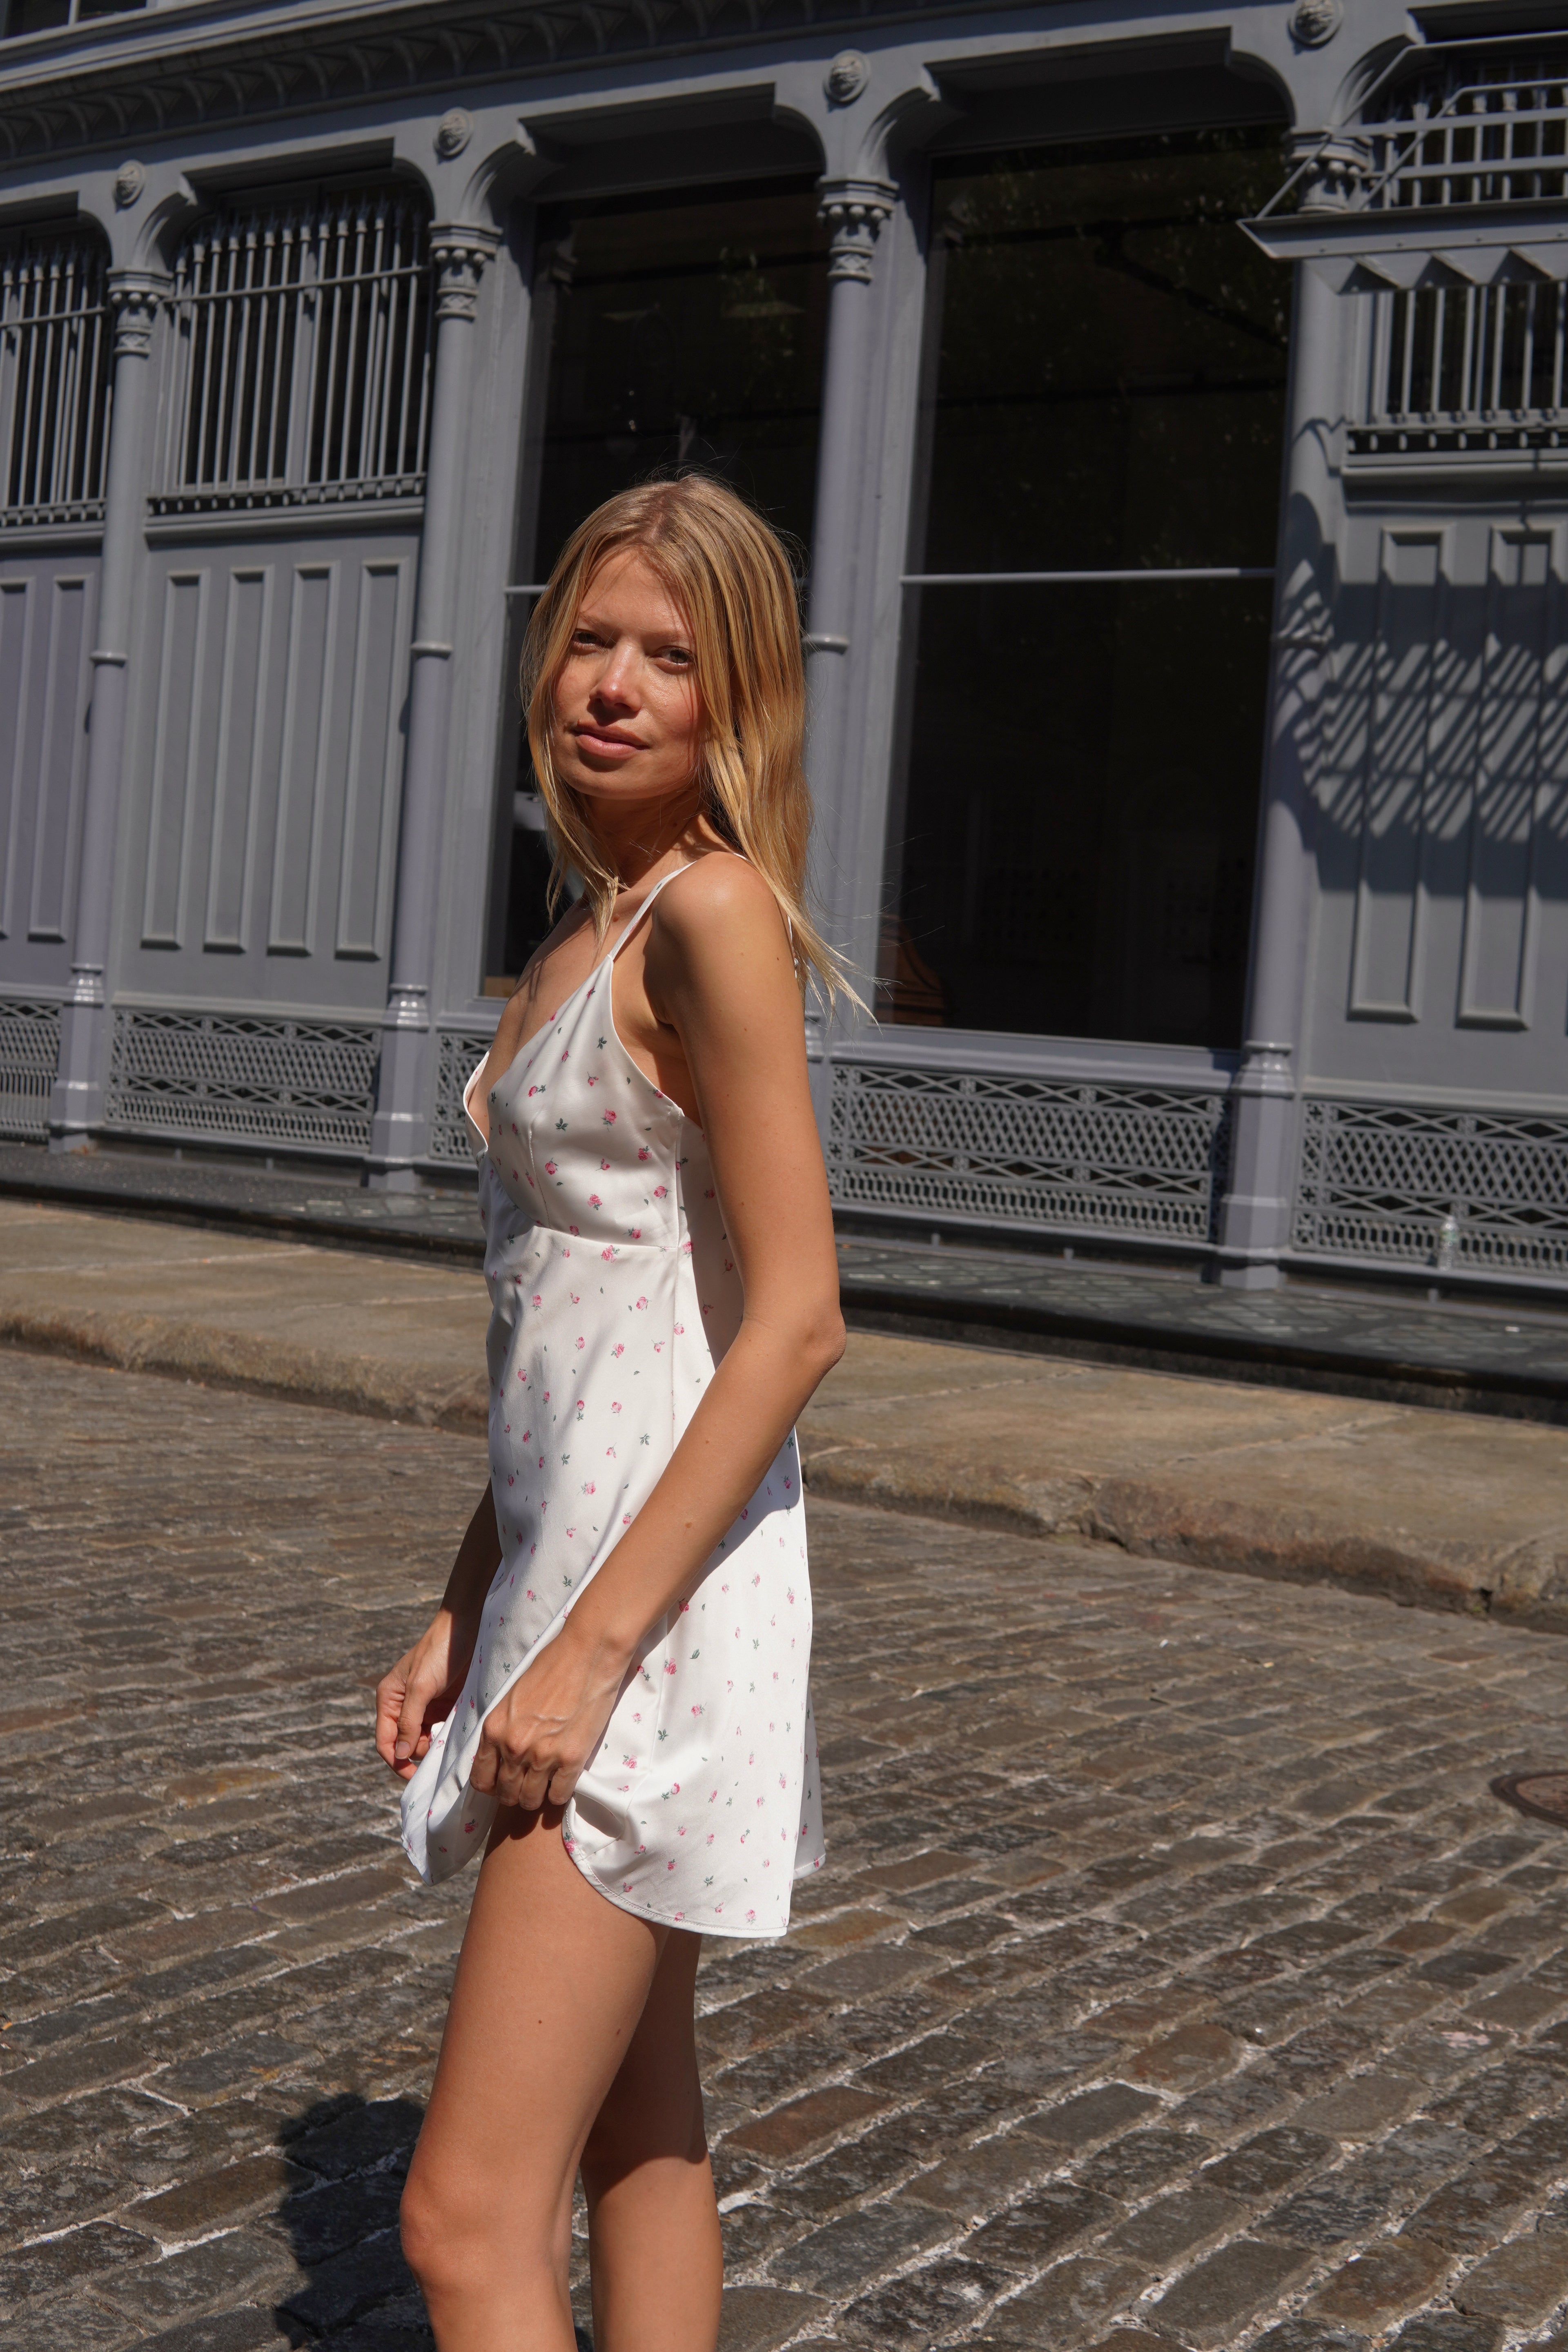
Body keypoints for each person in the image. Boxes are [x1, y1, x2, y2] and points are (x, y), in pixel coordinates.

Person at [374, 473, 849, 2352]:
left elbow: (795, 1320)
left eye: (671, 654)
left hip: (651, 1621)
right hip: (571, 1581)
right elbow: (578, 1346)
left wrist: (579, 1657)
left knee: (458, 2223)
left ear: (740, 697)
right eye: (591, 638)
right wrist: (466, 1596)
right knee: (641, 2132)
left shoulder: (710, 916)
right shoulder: (590, 927)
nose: (616, 684)